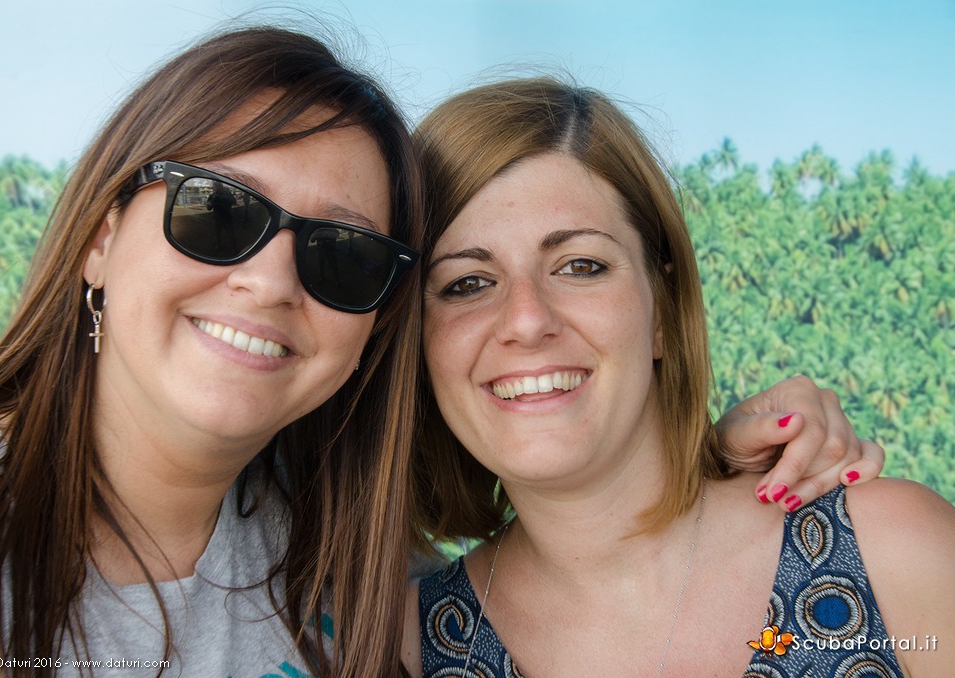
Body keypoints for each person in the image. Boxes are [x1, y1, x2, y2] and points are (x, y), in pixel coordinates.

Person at [0, 25, 882, 678]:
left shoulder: (362, 566)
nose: (269, 281)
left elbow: (604, 551)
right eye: (217, 212)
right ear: (101, 238)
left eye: (342, 255)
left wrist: (713, 459)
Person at [404, 77, 954, 677]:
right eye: (467, 283)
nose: (528, 320)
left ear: (662, 309)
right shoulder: (400, 647)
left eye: (580, 266)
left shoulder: (895, 551)